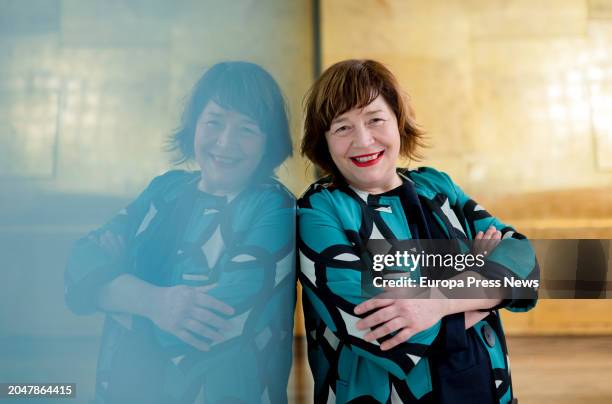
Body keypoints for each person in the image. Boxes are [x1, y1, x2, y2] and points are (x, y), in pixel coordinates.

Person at [298, 59, 539, 403]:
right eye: (342, 128)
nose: (363, 140)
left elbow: (528, 266)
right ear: (323, 140)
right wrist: (481, 282)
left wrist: (433, 303)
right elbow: (381, 330)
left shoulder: (436, 186)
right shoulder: (319, 209)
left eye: (375, 119)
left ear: (398, 121)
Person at [65, 61, 296, 404]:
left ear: (269, 140)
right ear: (194, 126)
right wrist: (157, 303)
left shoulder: (275, 208)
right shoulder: (165, 190)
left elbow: (211, 324)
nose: (225, 142)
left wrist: (112, 287)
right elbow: (77, 268)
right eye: (214, 122)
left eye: (247, 129)